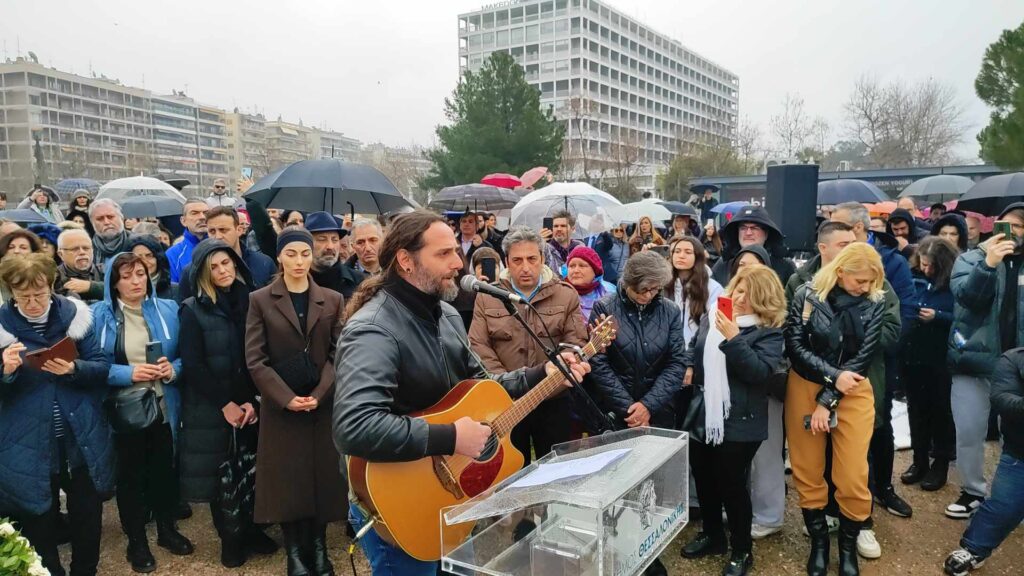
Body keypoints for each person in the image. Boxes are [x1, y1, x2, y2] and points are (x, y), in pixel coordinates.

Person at [334, 209, 590, 575]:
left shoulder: (447, 315)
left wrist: (542, 374)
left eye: (456, 250)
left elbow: (481, 387)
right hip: (399, 499)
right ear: (405, 261)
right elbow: (354, 427)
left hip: (451, 493)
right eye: (443, 254)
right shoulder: (373, 329)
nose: (459, 262)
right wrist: (450, 436)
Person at [785, 242, 899, 576]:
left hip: (853, 386)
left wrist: (828, 399)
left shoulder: (874, 300)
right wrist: (830, 382)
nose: (866, 288)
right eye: (859, 281)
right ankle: (820, 545)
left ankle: (847, 547)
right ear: (839, 271)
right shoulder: (806, 294)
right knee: (807, 469)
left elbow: (864, 353)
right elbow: (795, 346)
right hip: (807, 382)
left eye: (871, 281)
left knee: (852, 475)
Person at [0, 253, 112, 576]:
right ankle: (49, 571)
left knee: (87, 513)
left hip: (80, 434)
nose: (33, 303)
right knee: (39, 518)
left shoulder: (76, 316)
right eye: (24, 297)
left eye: (40, 294)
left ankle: (85, 570)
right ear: (11, 292)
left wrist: (74, 368)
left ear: (52, 285)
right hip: (26, 440)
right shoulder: (3, 326)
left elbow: (102, 366)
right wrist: (5, 371)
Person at [245, 228, 346, 576]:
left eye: (305, 253)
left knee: (319, 478)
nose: (299, 261)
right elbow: (255, 358)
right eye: (292, 254)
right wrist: (286, 398)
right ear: (279, 258)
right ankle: (295, 554)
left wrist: (319, 394)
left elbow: (338, 353)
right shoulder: (260, 300)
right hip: (281, 407)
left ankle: (318, 548)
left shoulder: (331, 299)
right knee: (289, 482)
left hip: (320, 404)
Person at [178, 239, 278, 568]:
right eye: (214, 267)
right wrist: (226, 403)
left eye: (226, 263)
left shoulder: (251, 301)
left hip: (249, 401)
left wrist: (252, 400)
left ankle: (250, 529)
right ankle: (230, 538)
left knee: (251, 469)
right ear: (203, 273)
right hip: (212, 405)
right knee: (223, 474)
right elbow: (193, 364)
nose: (222, 271)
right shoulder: (193, 308)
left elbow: (258, 354)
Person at [681, 264, 787, 576]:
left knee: (731, 485)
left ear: (764, 300)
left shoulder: (769, 331)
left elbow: (759, 373)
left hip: (741, 419)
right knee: (704, 476)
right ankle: (713, 535)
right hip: (704, 413)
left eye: (749, 294)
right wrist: (689, 364)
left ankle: (742, 550)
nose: (740, 297)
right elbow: (694, 348)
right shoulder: (714, 314)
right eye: (738, 289)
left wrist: (733, 337)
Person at [91, 252, 193, 572]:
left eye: (140, 273)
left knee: (164, 471)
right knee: (131, 477)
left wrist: (172, 369)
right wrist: (128, 374)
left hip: (164, 406)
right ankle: (137, 541)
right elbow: (91, 367)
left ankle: (166, 530)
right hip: (125, 411)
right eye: (126, 276)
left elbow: (189, 356)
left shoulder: (168, 309)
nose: (136, 281)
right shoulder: (99, 316)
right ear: (112, 283)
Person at [468, 227, 589, 465]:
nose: (525, 267)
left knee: (554, 469)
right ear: (506, 262)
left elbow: (575, 344)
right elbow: (479, 347)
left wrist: (545, 386)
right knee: (509, 470)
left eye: (532, 259)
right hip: (506, 405)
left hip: (553, 400)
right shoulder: (487, 296)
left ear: (543, 259)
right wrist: (506, 386)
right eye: (517, 260)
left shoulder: (565, 295)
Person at [830, 201, 916, 534]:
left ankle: (883, 489)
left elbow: (904, 314)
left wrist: (866, 342)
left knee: (879, 430)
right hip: (833, 372)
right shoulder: (824, 267)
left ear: (858, 230)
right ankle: (840, 505)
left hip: (877, 365)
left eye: (838, 224)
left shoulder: (891, 263)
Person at [945, 203, 1024, 521]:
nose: (1012, 232)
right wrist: (990, 264)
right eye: (1007, 225)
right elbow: (967, 298)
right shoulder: (972, 258)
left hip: (1018, 366)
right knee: (969, 429)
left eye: (1019, 227)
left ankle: (1013, 497)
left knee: (1016, 434)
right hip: (973, 360)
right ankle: (973, 491)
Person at [943, 347, 1024, 575]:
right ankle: (974, 549)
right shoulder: (1014, 359)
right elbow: (1003, 400)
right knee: (1003, 506)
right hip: (1020, 454)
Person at [900, 237, 958, 492]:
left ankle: (940, 464)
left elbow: (963, 319)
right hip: (914, 355)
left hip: (941, 357)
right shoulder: (914, 277)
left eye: (930, 265)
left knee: (941, 412)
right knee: (916, 410)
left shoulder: (955, 284)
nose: (925, 269)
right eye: (922, 263)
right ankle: (919, 459)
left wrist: (939, 317)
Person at [177, 207, 274, 300]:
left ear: (239, 230)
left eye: (223, 230)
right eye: (212, 231)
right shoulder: (193, 271)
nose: (218, 236)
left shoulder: (263, 263)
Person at [711, 205, 796, 287]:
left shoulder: (784, 267)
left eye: (754, 228)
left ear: (766, 234)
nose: (748, 233)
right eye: (743, 228)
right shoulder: (723, 265)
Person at [666, 236, 723, 346]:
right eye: (677, 251)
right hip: (667, 354)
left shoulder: (713, 288)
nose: (681, 256)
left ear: (697, 256)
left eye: (688, 252)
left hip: (697, 351)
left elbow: (714, 327)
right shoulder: (663, 285)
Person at [785, 222, 857, 302]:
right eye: (843, 245)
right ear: (823, 248)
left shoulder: (865, 279)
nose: (851, 249)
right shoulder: (798, 280)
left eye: (854, 245)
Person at [306, 211, 365, 299]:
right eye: (322, 239)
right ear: (307, 243)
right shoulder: (294, 282)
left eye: (335, 240)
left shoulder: (358, 281)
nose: (330, 246)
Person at [566, 245, 616, 323]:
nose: (576, 270)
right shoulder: (559, 293)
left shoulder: (609, 292)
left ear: (595, 271)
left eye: (582, 266)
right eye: (572, 266)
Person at [56, 229, 104, 304]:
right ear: (61, 254)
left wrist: (92, 287)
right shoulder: (52, 277)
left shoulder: (107, 271)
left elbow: (123, 291)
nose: (82, 252)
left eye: (86, 248)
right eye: (75, 249)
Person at [166, 199, 209, 282]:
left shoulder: (223, 246)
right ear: (183, 221)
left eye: (206, 213)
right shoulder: (173, 255)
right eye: (194, 213)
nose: (202, 217)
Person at [127, 235, 178, 301]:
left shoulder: (175, 291)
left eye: (149, 256)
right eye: (138, 257)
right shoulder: (124, 292)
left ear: (158, 258)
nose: (144, 261)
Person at [89, 199, 130, 267]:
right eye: (100, 219)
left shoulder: (136, 243)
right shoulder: (87, 249)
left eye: (110, 217)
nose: (106, 222)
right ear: (92, 223)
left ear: (121, 218)